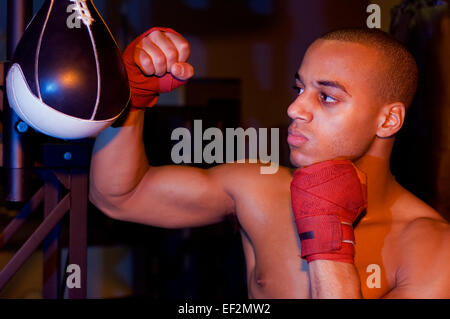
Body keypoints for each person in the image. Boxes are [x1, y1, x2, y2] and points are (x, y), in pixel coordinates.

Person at [89, 27, 450, 298]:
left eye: (326, 97)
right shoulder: (260, 189)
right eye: (299, 89)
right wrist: (131, 98)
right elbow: (119, 196)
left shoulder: (432, 248)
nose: (295, 109)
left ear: (388, 120)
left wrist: (328, 238)